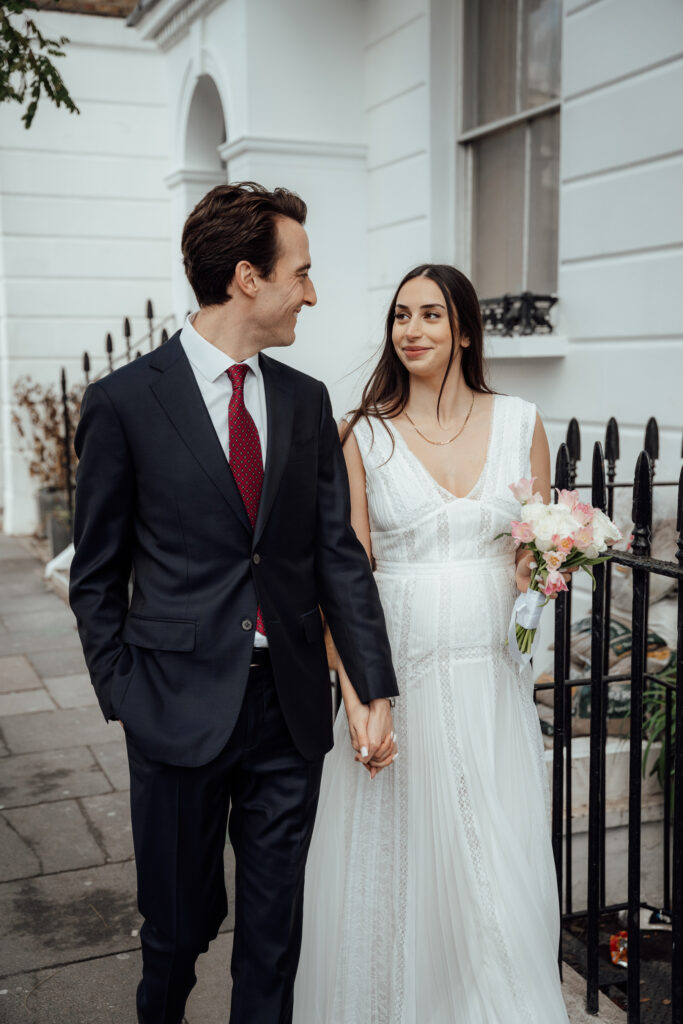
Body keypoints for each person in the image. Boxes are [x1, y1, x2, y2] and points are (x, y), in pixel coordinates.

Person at [68, 181, 399, 1024]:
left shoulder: (303, 398)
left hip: (286, 709)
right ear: (247, 277)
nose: (313, 293)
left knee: (273, 938)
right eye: (302, 273)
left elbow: (336, 557)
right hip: (173, 707)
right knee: (174, 936)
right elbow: (96, 572)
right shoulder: (122, 403)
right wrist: (124, 693)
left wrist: (371, 687)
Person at [294, 264, 571, 1023]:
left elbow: (533, 551)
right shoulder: (362, 434)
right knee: (398, 874)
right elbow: (342, 581)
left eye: (430, 316)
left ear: (465, 331)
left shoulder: (520, 421)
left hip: (490, 685)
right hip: (398, 683)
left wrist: (544, 562)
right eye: (399, 316)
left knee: (494, 863)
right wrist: (358, 700)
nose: (410, 330)